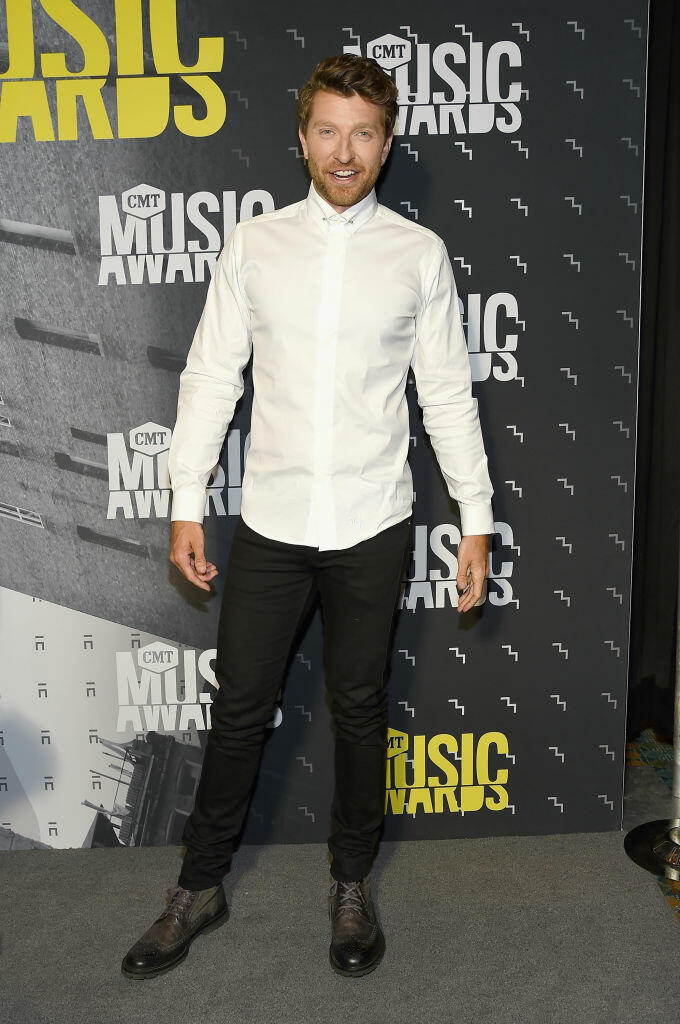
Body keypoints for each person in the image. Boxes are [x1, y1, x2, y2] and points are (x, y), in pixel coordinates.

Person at [121, 53, 494, 981]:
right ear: (300, 137)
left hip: (374, 520)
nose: (344, 149)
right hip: (275, 524)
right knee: (240, 713)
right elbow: (210, 376)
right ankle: (197, 888)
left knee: (362, 713)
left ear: (388, 141)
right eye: (327, 129)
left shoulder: (419, 255)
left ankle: (352, 887)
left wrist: (477, 520)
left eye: (363, 132)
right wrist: (184, 503)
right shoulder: (254, 244)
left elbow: (448, 395)